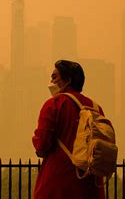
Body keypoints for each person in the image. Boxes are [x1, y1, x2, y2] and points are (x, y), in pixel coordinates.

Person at [32, 60, 105, 199]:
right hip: (91, 184)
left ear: (67, 80)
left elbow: (41, 143)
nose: (51, 81)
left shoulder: (54, 104)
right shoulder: (96, 108)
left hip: (59, 183)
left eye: (55, 77)